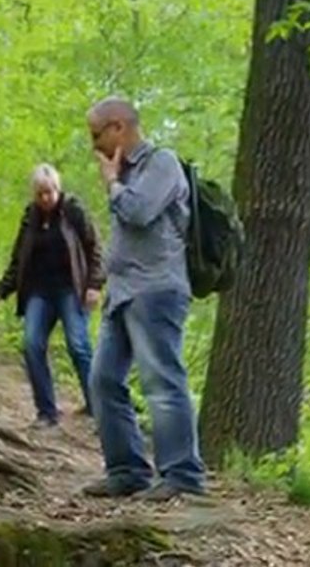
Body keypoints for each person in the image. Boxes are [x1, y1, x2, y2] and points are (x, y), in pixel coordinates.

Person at [82, 96, 206, 502]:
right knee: (102, 380)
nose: (94, 144)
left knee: (161, 380)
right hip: (122, 293)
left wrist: (113, 184)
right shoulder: (125, 171)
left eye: (96, 134)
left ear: (119, 127)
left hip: (156, 289)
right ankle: (127, 470)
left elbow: (139, 211)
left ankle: (183, 475)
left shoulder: (161, 164)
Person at [0, 163, 105, 429]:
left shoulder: (73, 211)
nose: (45, 198)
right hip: (39, 291)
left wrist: (94, 284)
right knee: (32, 344)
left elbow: (95, 248)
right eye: (40, 193)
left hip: (70, 289)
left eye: (49, 192)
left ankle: (98, 407)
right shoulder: (30, 217)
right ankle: (46, 412)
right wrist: (3, 288)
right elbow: (19, 256)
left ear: (58, 189)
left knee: (78, 345)